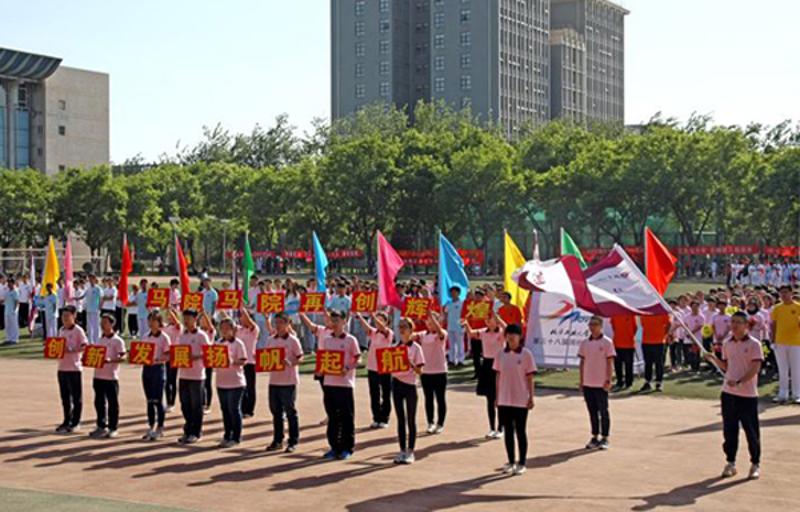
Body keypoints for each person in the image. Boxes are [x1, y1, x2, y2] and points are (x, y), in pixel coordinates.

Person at [704, 312, 763, 480]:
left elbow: (755, 368)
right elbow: (726, 366)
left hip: (747, 395)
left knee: (751, 431)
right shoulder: (727, 343)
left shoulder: (754, 344)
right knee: (729, 431)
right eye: (733, 322)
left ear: (746, 325)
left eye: (738, 322)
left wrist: (739, 381)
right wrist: (713, 359)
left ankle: (755, 463)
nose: (734, 325)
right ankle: (731, 462)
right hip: (728, 394)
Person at [493, 323, 536, 476]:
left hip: (520, 399)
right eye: (508, 334)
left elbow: (530, 378)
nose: (511, 337)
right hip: (504, 399)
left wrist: (531, 397)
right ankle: (511, 461)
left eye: (514, 334)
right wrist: (497, 397)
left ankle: (522, 462)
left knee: (520, 431)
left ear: (520, 337)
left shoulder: (526, 354)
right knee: (508, 432)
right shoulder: (500, 354)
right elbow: (498, 376)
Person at [319, 309, 361, 460]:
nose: (335, 323)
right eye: (333, 320)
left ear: (344, 321)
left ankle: (347, 447)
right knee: (333, 417)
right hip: (329, 383)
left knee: (346, 417)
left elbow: (358, 358)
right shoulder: (327, 340)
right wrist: (320, 370)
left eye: (337, 320)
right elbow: (324, 359)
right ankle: (334, 447)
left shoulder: (350, 340)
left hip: (345, 384)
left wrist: (347, 368)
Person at [264, 313, 304, 453]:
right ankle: (277, 440)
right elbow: (266, 357)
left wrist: (291, 362)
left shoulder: (293, 340)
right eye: (276, 323)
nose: (278, 326)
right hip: (274, 381)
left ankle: (293, 441)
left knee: (290, 411)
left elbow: (300, 357)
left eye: (281, 322)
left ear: (288, 324)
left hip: (289, 381)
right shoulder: (271, 340)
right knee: (276, 412)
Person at [464, 311, 506, 439]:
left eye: (490, 318)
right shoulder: (483, 332)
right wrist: (466, 323)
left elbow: (507, 329)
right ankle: (492, 428)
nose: (487, 321)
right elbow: (471, 333)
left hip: (499, 365)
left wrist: (499, 318)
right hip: (487, 365)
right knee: (489, 399)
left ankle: (501, 428)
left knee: (500, 399)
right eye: (486, 319)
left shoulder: (501, 332)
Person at [390, 318, 425, 464]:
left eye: (405, 327)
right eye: (400, 327)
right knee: (400, 419)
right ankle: (402, 450)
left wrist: (410, 364)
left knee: (411, 419)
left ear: (411, 329)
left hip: (410, 385)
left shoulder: (416, 348)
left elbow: (420, 371)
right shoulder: (394, 347)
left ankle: (411, 451)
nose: (402, 329)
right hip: (396, 384)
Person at [579, 316, 616, 450]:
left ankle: (605, 437)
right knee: (592, 411)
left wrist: (608, 380)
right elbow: (582, 362)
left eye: (595, 324)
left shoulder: (607, 342)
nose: (592, 327)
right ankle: (594, 436)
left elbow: (609, 362)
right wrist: (582, 381)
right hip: (588, 382)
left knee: (603, 411)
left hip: (601, 383)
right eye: (591, 324)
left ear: (601, 326)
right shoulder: (585, 343)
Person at [176, 309, 211, 445]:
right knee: (185, 405)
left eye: (189, 318)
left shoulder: (202, 335)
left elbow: (209, 352)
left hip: (197, 375)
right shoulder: (182, 335)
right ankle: (188, 429)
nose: (186, 321)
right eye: (184, 318)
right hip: (183, 374)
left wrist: (195, 356)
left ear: (195, 319)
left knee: (196, 405)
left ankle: (196, 432)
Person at [90, 314, 126, 439]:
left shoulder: (118, 340)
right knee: (99, 402)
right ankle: (101, 425)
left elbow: (123, 356)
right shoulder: (99, 339)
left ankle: (113, 427)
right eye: (101, 322)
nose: (102, 325)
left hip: (111, 376)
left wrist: (112, 360)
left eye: (105, 322)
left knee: (112, 403)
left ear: (112, 324)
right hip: (98, 375)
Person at [215, 317, 248, 448]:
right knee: (225, 410)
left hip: (236, 382)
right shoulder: (218, 343)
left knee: (234, 409)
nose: (224, 331)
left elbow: (244, 361)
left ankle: (236, 437)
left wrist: (232, 361)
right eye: (222, 328)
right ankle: (227, 434)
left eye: (227, 328)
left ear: (233, 329)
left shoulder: (238, 343)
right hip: (221, 382)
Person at [357, 311, 393, 429]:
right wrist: (359, 315)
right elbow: (366, 326)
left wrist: (373, 316)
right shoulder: (373, 333)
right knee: (374, 394)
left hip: (385, 366)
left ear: (387, 322)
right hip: (372, 366)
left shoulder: (388, 333)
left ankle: (384, 418)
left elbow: (382, 328)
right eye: (377, 319)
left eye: (381, 320)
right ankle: (376, 417)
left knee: (386, 394)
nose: (378, 322)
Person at [55, 306, 88, 433]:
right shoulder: (61, 330)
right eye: (63, 316)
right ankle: (66, 420)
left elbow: (85, 346)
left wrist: (71, 350)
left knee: (76, 397)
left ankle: (76, 422)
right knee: (65, 397)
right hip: (62, 367)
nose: (64, 319)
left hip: (74, 368)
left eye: (67, 316)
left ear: (74, 316)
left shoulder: (78, 330)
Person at [140, 311, 171, 441]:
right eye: (150, 320)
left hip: (158, 369)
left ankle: (160, 427)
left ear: (159, 322)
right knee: (149, 400)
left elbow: (168, 355)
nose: (151, 323)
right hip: (147, 369)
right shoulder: (145, 336)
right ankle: (150, 426)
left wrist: (159, 359)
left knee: (158, 400)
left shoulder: (164, 338)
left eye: (154, 320)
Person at [418, 311, 448, 434]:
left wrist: (431, 315)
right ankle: (430, 422)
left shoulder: (442, 333)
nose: (430, 324)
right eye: (428, 322)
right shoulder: (422, 335)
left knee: (440, 398)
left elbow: (439, 332)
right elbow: (409, 336)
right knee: (428, 398)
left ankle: (440, 423)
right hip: (426, 371)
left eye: (432, 321)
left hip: (440, 371)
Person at [770, 285, 800, 404]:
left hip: (796, 342)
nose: (784, 295)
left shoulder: (798, 307)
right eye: (781, 292)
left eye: (786, 292)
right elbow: (773, 325)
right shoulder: (777, 308)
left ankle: (797, 394)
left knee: (796, 369)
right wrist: (773, 340)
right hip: (780, 342)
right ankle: (783, 394)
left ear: (791, 293)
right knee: (782, 369)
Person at [237, 307, 260, 418]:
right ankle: (241, 408)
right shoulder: (238, 330)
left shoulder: (254, 329)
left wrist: (242, 308)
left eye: (242, 317)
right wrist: (222, 310)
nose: (241, 318)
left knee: (250, 387)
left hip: (250, 362)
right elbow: (227, 321)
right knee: (241, 386)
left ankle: (249, 410)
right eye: (240, 317)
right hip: (240, 362)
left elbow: (249, 321)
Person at [640, 314, 669, 392]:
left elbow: (668, 324)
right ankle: (647, 382)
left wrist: (664, 335)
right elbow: (642, 324)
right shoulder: (644, 312)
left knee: (659, 363)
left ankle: (659, 382)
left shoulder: (661, 311)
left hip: (659, 342)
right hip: (646, 341)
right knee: (648, 363)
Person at [163, 310, 183, 412]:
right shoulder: (165, 327)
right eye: (168, 316)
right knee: (166, 380)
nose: (169, 317)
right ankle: (168, 401)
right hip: (167, 354)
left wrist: (169, 309)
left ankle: (172, 403)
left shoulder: (178, 327)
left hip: (175, 354)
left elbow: (177, 322)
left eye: (172, 316)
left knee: (172, 379)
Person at [610, 315, 636, 389]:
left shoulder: (631, 315)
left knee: (628, 365)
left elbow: (635, 328)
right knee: (618, 365)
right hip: (618, 343)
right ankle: (620, 382)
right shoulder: (615, 314)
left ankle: (628, 382)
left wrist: (629, 336)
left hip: (629, 344)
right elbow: (613, 326)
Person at [444, 287, 465, 366]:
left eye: (455, 292)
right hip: (450, 326)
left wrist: (463, 324)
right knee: (451, 344)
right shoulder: (449, 303)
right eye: (452, 292)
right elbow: (446, 313)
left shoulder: (462, 303)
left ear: (458, 293)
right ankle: (452, 359)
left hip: (459, 326)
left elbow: (465, 314)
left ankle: (460, 360)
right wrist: (445, 320)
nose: (453, 293)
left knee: (460, 344)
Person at [85, 274, 102, 344]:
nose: (90, 280)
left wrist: (99, 307)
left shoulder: (98, 288)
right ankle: (90, 341)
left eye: (91, 279)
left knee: (96, 326)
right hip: (89, 309)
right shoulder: (88, 288)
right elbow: (83, 296)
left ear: (95, 279)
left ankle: (97, 341)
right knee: (89, 326)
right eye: (89, 279)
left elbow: (101, 298)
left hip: (95, 309)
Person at [3, 278, 19, 345]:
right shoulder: (7, 291)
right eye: (8, 282)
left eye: (10, 282)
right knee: (7, 326)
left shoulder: (15, 291)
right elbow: (5, 300)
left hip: (13, 312)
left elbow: (17, 302)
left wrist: (15, 310)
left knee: (14, 326)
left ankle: (14, 339)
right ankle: (8, 339)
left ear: (13, 283)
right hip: (7, 311)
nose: (8, 284)